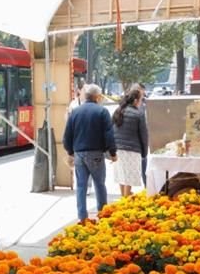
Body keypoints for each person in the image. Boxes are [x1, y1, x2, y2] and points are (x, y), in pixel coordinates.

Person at [62, 84, 117, 221]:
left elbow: (67, 135)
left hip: (79, 154)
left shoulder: (75, 112)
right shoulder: (102, 112)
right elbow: (109, 135)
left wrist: (70, 152)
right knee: (99, 184)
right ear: (97, 97)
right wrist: (113, 152)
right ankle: (103, 214)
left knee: (81, 186)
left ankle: (82, 217)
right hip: (96, 154)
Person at [111, 87, 148, 197]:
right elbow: (143, 135)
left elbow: (111, 130)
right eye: (141, 99)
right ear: (136, 100)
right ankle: (126, 201)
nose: (141, 102)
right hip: (132, 150)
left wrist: (111, 150)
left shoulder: (118, 111)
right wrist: (144, 152)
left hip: (118, 149)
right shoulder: (138, 114)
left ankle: (123, 198)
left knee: (121, 176)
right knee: (129, 178)